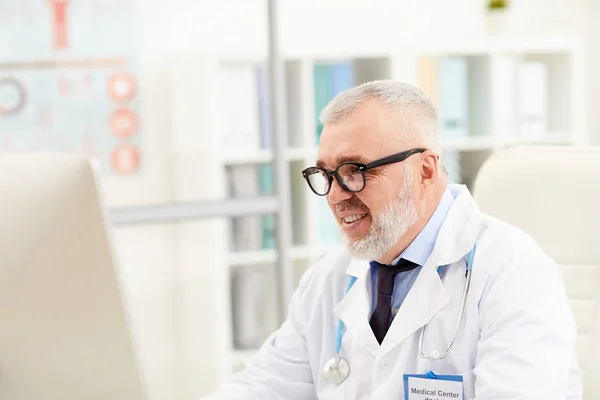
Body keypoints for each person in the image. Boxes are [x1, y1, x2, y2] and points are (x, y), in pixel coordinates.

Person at [203, 80, 582, 399]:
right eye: (326, 174)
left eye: (354, 171)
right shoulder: (328, 280)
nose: (335, 195)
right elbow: (261, 387)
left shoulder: (512, 273)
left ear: (425, 170)